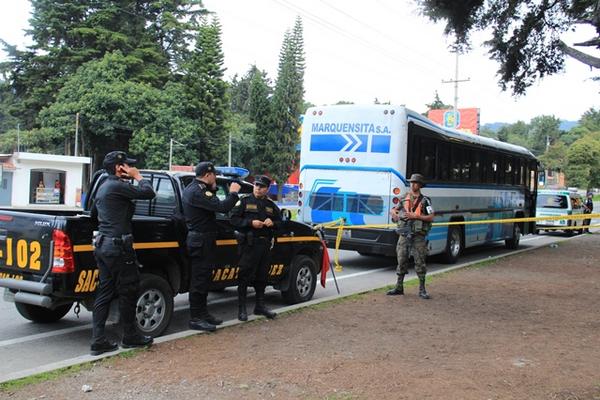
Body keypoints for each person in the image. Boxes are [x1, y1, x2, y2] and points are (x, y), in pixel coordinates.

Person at [90, 151, 156, 356]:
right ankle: (130, 336)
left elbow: (94, 214)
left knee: (105, 292)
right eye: (127, 165)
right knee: (129, 290)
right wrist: (138, 176)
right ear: (119, 168)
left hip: (103, 245)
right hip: (118, 247)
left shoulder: (103, 186)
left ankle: (98, 340)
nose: (130, 167)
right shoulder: (118, 185)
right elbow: (148, 192)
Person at [182, 161, 241, 331]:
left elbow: (211, 202)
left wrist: (214, 188)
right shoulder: (197, 191)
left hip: (203, 240)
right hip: (200, 241)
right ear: (208, 175)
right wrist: (234, 193)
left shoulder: (197, 189)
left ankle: (203, 313)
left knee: (205, 278)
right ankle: (195, 318)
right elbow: (222, 207)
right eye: (214, 175)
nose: (215, 177)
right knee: (199, 280)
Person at [230, 175, 281, 321]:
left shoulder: (271, 205)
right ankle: (242, 309)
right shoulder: (245, 201)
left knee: (262, 277)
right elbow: (233, 219)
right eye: (256, 185)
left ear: (267, 188)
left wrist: (273, 223)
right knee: (244, 277)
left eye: (261, 186)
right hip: (249, 245)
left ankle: (260, 306)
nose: (258, 188)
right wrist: (250, 223)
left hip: (264, 245)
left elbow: (281, 222)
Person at [387, 173, 435, 299]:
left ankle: (422, 289)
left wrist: (417, 216)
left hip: (418, 236)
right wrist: (394, 214)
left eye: (415, 182)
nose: (412, 184)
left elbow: (431, 217)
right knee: (401, 259)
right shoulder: (404, 197)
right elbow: (394, 209)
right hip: (404, 234)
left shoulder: (425, 201)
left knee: (420, 262)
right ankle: (399, 287)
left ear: (420, 185)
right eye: (411, 182)